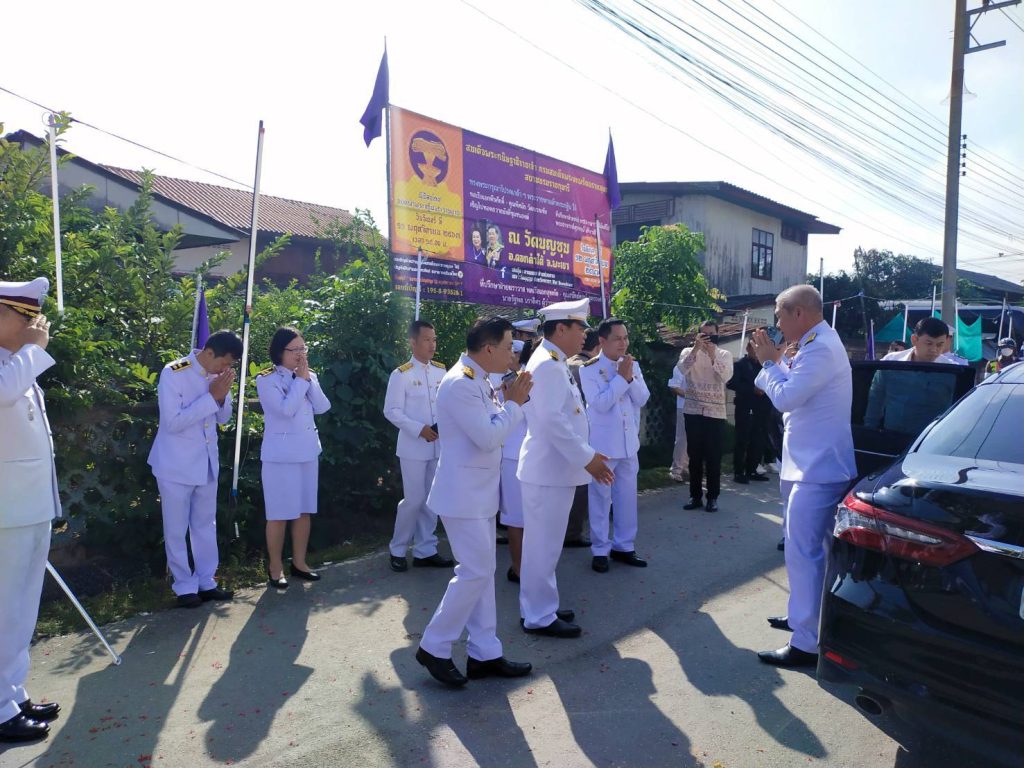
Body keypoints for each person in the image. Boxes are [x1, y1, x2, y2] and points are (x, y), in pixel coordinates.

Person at [415, 317, 534, 687]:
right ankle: (434, 646)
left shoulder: (478, 378)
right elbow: (487, 437)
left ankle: (485, 653)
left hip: (477, 493)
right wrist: (513, 405)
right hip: (462, 495)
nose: (512, 353)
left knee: (482, 572)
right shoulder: (461, 384)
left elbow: (490, 425)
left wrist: (508, 401)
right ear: (488, 349)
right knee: (476, 571)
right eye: (508, 346)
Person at [749, 285, 856, 668]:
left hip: (819, 467)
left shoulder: (822, 346)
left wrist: (768, 363)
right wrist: (775, 364)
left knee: (806, 552)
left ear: (799, 313)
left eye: (779, 314)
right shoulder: (811, 343)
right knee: (802, 551)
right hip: (803, 463)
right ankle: (804, 618)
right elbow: (775, 390)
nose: (776, 323)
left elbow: (785, 398)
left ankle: (807, 642)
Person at [518, 298, 614, 638]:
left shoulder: (552, 360)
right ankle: (539, 616)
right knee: (542, 545)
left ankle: (539, 605)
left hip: (552, 470)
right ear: (561, 329)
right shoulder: (547, 364)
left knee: (545, 545)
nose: (585, 335)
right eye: (580, 328)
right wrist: (587, 457)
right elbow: (552, 422)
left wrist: (585, 454)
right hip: (547, 471)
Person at [0, 278, 62, 743]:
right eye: (25, 318)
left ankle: (12, 693)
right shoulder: (14, 366)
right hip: (6, 510)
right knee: (5, 608)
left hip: (28, 506)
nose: (33, 327)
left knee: (22, 608)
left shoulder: (14, 363)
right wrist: (34, 351)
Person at [149, 330, 242, 608]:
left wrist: (222, 397)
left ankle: (206, 580)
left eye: (230, 365)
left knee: (205, 525)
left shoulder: (218, 375)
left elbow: (223, 419)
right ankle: (184, 586)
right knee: (176, 528)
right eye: (224, 362)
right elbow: (172, 422)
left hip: (206, 463)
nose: (226, 369)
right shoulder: (174, 372)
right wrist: (211, 396)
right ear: (209, 352)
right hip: (175, 464)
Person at [256, 327, 331, 590]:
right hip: (281, 457)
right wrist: (300, 381)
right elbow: (285, 410)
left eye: (303, 349)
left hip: (308, 453)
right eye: (295, 350)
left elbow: (323, 407)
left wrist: (307, 379)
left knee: (303, 511)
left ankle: (299, 562)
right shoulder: (266, 380)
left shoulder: (308, 376)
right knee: (278, 514)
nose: (300, 354)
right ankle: (275, 567)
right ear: (280, 352)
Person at [382, 320, 454, 572]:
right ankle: (398, 549)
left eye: (434, 339)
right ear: (413, 342)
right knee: (413, 500)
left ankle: (426, 550)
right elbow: (391, 411)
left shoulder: (441, 371)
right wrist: (418, 429)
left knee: (431, 500)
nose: (432, 345)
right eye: (426, 340)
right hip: (413, 447)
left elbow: (446, 406)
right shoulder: (401, 374)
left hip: (438, 445)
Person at [579, 318, 651, 573]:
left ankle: (624, 546)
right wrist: (621, 379)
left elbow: (642, 399)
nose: (623, 343)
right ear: (602, 341)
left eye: (625, 337)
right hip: (603, 446)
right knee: (600, 498)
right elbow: (600, 403)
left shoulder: (633, 365)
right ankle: (600, 549)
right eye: (617, 338)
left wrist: (629, 377)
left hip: (628, 443)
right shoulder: (588, 370)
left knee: (627, 497)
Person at [866, 316, 957, 435]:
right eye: (929, 343)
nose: (934, 350)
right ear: (914, 340)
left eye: (940, 345)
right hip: (890, 435)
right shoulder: (891, 363)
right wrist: (869, 431)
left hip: (930, 440)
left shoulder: (952, 371)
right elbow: (875, 400)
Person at [677, 321, 733, 512]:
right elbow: (681, 370)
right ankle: (695, 496)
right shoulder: (688, 352)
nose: (708, 338)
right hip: (693, 410)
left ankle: (713, 497)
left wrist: (711, 354)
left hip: (715, 412)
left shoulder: (725, 354)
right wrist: (696, 349)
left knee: (713, 457)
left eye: (712, 334)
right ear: (698, 335)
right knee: (694, 457)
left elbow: (725, 377)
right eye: (704, 334)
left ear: (718, 335)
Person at [490, 340, 529, 583]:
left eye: (514, 353)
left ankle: (531, 568)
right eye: (508, 351)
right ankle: (518, 568)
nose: (511, 356)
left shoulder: (528, 377)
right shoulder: (492, 380)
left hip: (532, 453)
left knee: (534, 519)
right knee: (516, 518)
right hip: (511, 453)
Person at [563, 328, 601, 547]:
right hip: (584, 432)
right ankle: (573, 532)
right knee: (581, 484)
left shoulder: (566, 363)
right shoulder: (587, 368)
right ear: (599, 347)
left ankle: (567, 528)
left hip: (569, 434)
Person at [727, 340, 771, 484]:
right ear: (748, 348)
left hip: (762, 408)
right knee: (742, 440)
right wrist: (752, 390)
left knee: (758, 440)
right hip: (745, 407)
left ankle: (752, 469)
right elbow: (732, 383)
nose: (757, 352)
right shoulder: (740, 365)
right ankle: (739, 472)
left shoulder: (765, 366)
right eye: (754, 348)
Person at [667, 365, 688, 482]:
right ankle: (676, 470)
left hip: (698, 407)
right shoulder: (681, 366)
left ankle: (686, 467)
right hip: (683, 406)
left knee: (693, 439)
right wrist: (691, 396)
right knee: (682, 439)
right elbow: (674, 387)